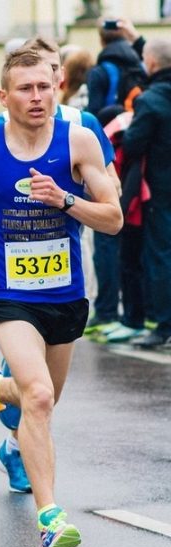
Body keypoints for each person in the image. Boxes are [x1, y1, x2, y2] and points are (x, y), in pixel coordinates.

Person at [0, 48, 122, 547]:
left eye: (44, 87)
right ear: (4, 96)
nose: (36, 97)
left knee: (41, 395)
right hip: (9, 294)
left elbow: (113, 218)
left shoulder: (79, 139)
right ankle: (50, 518)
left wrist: (64, 199)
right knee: (38, 397)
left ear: (56, 88)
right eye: (25, 88)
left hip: (64, 294)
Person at [123, 38, 171, 348]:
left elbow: (131, 145)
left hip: (161, 190)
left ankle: (163, 324)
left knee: (161, 255)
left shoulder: (150, 100)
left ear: (150, 64)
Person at [86, 17, 147, 119]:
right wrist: (136, 37)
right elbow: (161, 56)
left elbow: (94, 115)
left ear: (101, 40)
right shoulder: (144, 64)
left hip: (111, 132)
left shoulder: (99, 72)